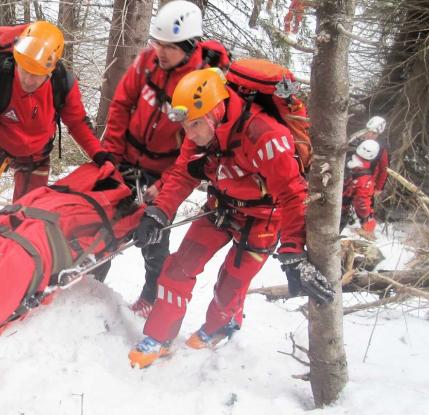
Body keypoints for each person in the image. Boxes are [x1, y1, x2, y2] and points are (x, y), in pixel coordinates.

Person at [126, 68, 334, 369]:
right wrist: (158, 214)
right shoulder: (198, 134)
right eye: (186, 126)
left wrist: (293, 252)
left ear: (216, 110)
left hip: (264, 217)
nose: (191, 134)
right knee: (179, 267)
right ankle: (160, 337)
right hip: (220, 206)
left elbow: (293, 196)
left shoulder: (265, 136)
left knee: (231, 283)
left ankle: (219, 326)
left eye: (195, 125)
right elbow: (183, 173)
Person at [95, 0, 230, 317]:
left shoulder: (202, 82)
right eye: (158, 43)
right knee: (105, 224)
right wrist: (111, 156)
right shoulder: (147, 62)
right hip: (127, 158)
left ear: (189, 45)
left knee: (153, 237)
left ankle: (151, 291)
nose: (161, 52)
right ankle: (93, 281)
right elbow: (120, 107)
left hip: (164, 170)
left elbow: (197, 148)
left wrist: (166, 183)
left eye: (170, 47)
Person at [0, 21, 106, 221]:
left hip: (35, 155)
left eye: (36, 75)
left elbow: (77, 123)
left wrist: (99, 153)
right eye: (24, 70)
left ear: (50, 72)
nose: (28, 80)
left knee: (28, 217)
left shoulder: (62, 83)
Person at [341, 140, 381, 240]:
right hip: (337, 210)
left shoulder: (343, 158)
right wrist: (367, 220)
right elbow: (362, 203)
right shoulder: (364, 178)